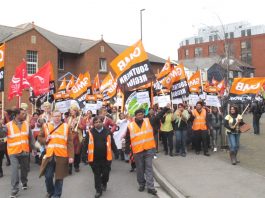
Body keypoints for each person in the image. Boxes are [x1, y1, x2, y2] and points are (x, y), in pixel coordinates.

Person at [38, 110, 74, 198]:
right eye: (55, 116)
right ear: (51, 117)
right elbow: (39, 137)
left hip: (62, 155)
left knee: (59, 178)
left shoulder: (66, 126)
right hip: (50, 155)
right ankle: (50, 191)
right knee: (48, 176)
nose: (57, 118)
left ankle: (57, 195)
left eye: (58, 116)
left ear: (61, 116)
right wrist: (45, 140)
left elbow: (70, 142)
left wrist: (71, 156)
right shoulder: (46, 126)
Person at [83, 116, 118, 198]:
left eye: (99, 122)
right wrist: (84, 155)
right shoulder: (90, 132)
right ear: (93, 124)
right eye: (96, 122)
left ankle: (104, 182)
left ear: (102, 122)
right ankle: (98, 190)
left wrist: (116, 152)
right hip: (94, 159)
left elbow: (112, 143)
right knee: (97, 175)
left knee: (106, 173)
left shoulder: (108, 132)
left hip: (106, 158)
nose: (98, 123)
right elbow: (85, 145)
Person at [125, 109, 157, 195]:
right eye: (138, 115)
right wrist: (127, 149)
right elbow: (127, 138)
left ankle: (151, 187)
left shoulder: (148, 121)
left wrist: (165, 109)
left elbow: (158, 117)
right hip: (137, 151)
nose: (140, 116)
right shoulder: (130, 126)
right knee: (140, 169)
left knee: (149, 168)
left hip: (148, 149)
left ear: (143, 115)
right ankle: (141, 184)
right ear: (135, 116)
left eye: (141, 114)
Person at [6, 108, 35, 198]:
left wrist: (33, 148)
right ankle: (14, 190)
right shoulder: (7, 125)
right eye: (23, 114)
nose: (25, 115)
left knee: (25, 169)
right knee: (14, 172)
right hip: (13, 152)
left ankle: (24, 181)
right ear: (17, 115)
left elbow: (31, 138)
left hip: (25, 151)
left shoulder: (26, 124)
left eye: (25, 113)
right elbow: (2, 135)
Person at [66, 104, 84, 174]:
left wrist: (78, 124)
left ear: (76, 111)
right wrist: (70, 126)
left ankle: (76, 166)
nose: (71, 112)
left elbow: (84, 127)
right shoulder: (68, 118)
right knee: (70, 152)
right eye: (70, 111)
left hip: (77, 136)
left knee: (77, 152)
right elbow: (65, 126)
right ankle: (69, 167)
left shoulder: (81, 118)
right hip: (70, 136)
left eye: (72, 110)